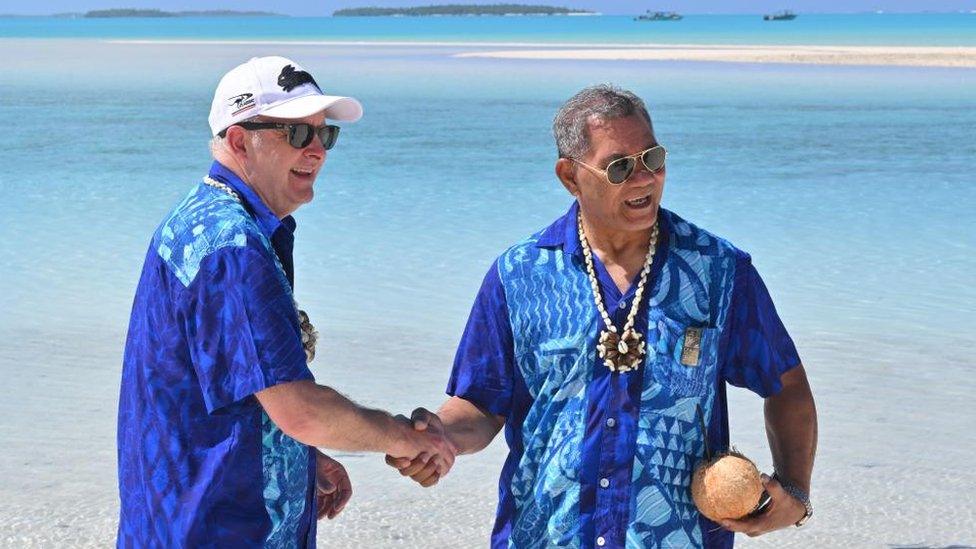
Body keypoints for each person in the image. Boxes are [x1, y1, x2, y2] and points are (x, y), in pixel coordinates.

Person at [388, 85, 818, 548]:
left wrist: (794, 492)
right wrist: (439, 438)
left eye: (653, 159)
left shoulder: (718, 271)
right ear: (570, 176)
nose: (643, 179)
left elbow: (787, 387)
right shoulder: (519, 275)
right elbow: (481, 404)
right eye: (619, 167)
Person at [116, 56, 456, 548]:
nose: (318, 151)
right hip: (215, 530)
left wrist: (299, 459)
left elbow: (221, 386)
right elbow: (298, 409)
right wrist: (404, 437)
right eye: (297, 134)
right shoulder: (231, 246)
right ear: (239, 141)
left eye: (325, 135)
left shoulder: (207, 222)